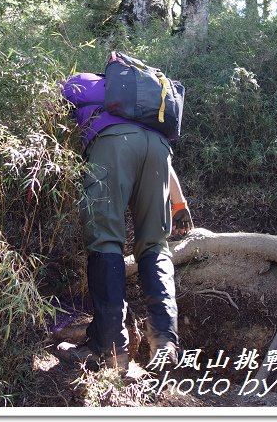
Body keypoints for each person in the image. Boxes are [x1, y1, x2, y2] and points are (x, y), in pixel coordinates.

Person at [56, 68, 193, 373]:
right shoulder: (147, 105)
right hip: (159, 150)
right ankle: (164, 342)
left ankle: (109, 349)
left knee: (105, 240)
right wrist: (179, 202)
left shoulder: (85, 82)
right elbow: (158, 156)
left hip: (112, 145)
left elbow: (54, 103)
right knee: (155, 244)